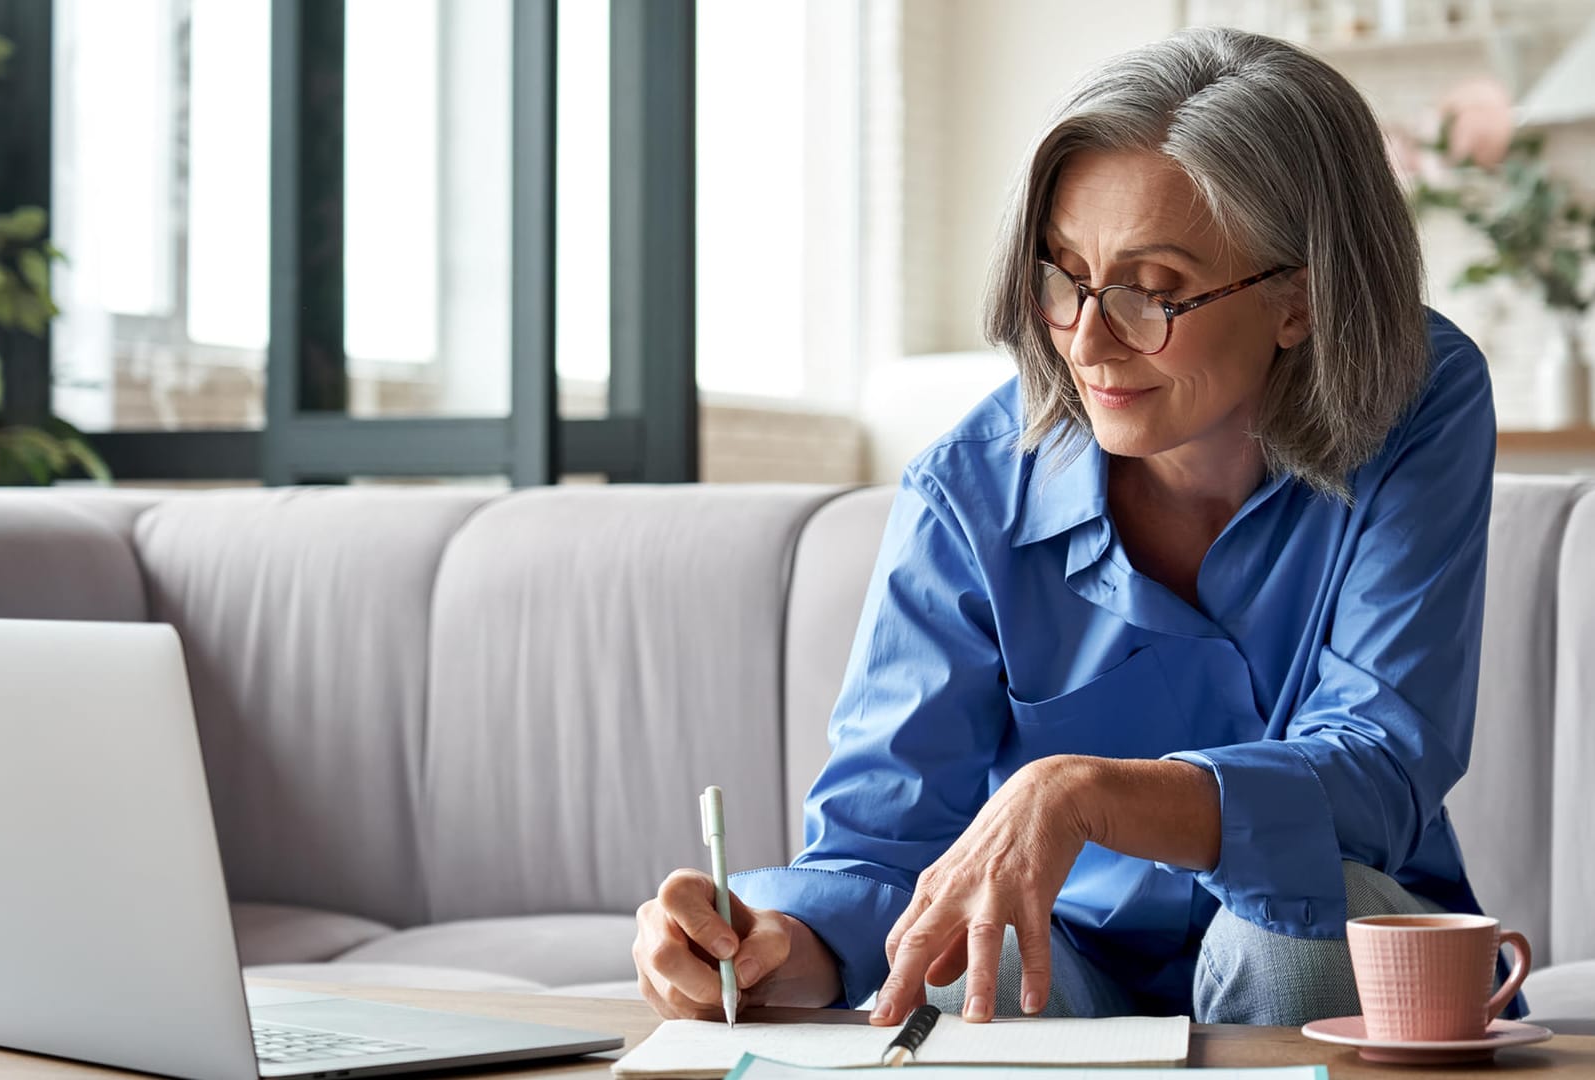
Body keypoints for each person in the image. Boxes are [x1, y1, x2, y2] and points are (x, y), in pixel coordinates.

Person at [633, 25, 1502, 1026]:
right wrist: (773, 947)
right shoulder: (968, 490)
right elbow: (881, 845)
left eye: (1151, 292)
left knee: (1293, 924)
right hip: (1070, 959)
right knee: (974, 961)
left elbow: (1381, 763)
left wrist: (1084, 792)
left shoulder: (1418, 400)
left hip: (1323, 944)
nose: (1087, 342)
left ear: (1298, 304)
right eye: (1062, 277)